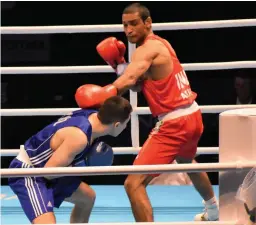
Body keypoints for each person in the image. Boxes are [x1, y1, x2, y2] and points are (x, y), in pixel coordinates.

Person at [75, 3, 219, 222]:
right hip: (192, 115)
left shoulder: (147, 49)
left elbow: (131, 79)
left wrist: (105, 94)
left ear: (147, 22)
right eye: (125, 25)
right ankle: (213, 210)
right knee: (187, 161)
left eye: (134, 24)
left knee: (133, 183)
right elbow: (139, 84)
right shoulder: (162, 44)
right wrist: (119, 65)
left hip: (174, 122)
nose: (128, 30)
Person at [8, 94, 132, 224]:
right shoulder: (79, 138)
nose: (126, 127)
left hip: (49, 168)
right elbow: (48, 173)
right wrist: (82, 164)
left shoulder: (91, 114)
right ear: (117, 125)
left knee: (87, 198)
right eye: (126, 123)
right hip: (30, 173)